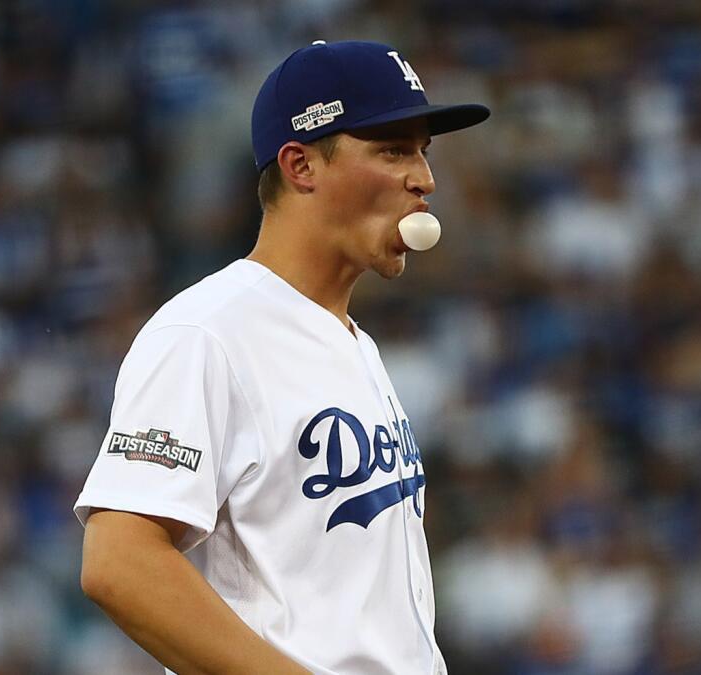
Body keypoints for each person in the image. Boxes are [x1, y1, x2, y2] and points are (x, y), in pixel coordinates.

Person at [75, 40, 489, 674]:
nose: (424, 179)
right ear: (301, 166)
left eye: (423, 153)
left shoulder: (352, 341)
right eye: (393, 149)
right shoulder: (208, 330)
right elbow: (119, 562)